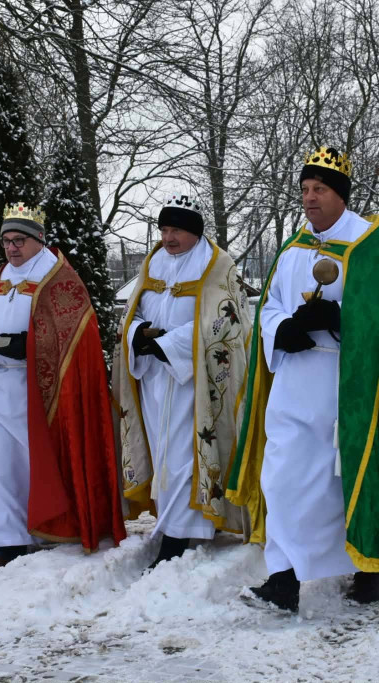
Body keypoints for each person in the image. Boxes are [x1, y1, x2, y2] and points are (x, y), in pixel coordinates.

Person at [226, 145, 379, 612]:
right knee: (281, 477)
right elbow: (270, 304)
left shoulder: (368, 244)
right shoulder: (293, 247)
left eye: (319, 189)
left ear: (341, 194)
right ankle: (283, 579)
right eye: (304, 189)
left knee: (346, 479)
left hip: (349, 388)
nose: (309, 197)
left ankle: (369, 567)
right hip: (293, 381)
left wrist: (338, 315)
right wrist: (284, 329)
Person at [0, 203, 126, 571]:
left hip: (42, 393)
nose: (12, 248)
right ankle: (9, 542)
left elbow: (74, 337)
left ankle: (54, 527)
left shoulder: (58, 277)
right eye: (6, 241)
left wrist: (29, 346)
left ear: (39, 240)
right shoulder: (0, 277)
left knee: (41, 464)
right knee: (2, 465)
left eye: (19, 240)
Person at [113, 194, 252, 571]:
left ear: (194, 232)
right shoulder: (153, 261)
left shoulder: (217, 264)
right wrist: (138, 335)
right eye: (163, 229)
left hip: (195, 382)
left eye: (176, 230)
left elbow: (225, 322)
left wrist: (170, 344)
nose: (168, 237)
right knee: (163, 455)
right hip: (153, 378)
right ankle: (174, 522)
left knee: (183, 456)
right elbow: (133, 310)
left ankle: (176, 537)